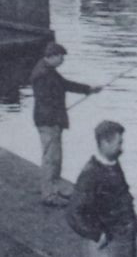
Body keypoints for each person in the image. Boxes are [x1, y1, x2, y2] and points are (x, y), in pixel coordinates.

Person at [66, 120, 137, 257]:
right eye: (119, 143)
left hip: (123, 239)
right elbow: (74, 213)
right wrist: (96, 234)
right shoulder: (90, 174)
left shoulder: (113, 164)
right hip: (106, 245)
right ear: (105, 143)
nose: (122, 147)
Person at [29, 41, 101, 207]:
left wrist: (88, 89)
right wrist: (58, 111)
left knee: (55, 156)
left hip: (51, 119)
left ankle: (53, 187)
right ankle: (49, 195)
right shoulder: (42, 74)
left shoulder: (48, 70)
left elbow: (64, 85)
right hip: (49, 121)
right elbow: (46, 98)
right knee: (51, 158)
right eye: (61, 57)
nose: (62, 60)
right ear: (52, 56)